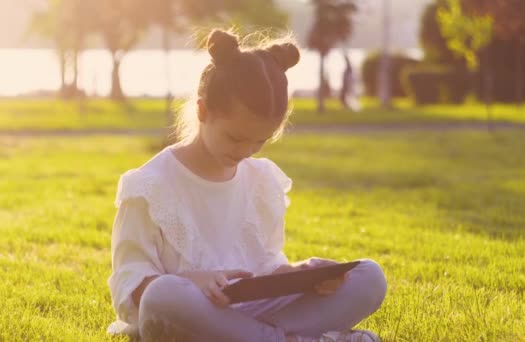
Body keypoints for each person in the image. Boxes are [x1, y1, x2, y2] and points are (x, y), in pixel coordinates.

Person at [107, 29, 387, 342]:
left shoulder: (262, 180)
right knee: (164, 295)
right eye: (235, 138)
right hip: (191, 316)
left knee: (369, 277)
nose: (244, 152)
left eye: (260, 142)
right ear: (202, 110)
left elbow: (267, 268)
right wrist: (193, 281)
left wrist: (300, 275)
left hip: (256, 316)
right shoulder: (149, 186)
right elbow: (128, 289)